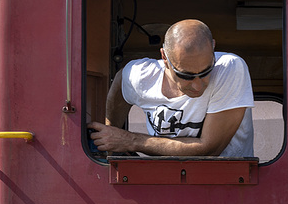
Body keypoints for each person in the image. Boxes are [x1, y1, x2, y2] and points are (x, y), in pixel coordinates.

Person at [88, 19, 254, 157]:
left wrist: (128, 140)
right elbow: (120, 83)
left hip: (226, 184)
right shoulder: (140, 75)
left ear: (213, 47)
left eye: (206, 71)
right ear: (164, 57)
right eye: (185, 75)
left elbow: (209, 150)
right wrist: (112, 144)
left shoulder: (229, 67)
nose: (197, 85)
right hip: (163, 182)